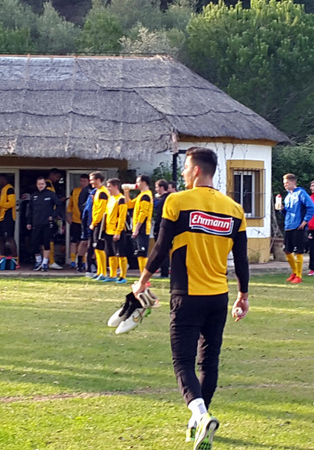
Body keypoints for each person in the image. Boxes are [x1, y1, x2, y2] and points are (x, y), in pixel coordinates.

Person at [132, 147, 249, 450]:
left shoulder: (177, 201)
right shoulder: (235, 209)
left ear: (196, 170)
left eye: (186, 167)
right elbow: (242, 258)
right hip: (219, 297)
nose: (183, 173)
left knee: (183, 361)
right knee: (209, 361)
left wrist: (142, 280)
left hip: (186, 295)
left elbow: (161, 246)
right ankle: (197, 424)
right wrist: (243, 295)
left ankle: (200, 415)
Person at [278, 173, 314, 284]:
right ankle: (294, 272)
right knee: (287, 251)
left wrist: (305, 221)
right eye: (284, 183)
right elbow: (287, 212)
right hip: (288, 226)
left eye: (287, 183)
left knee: (299, 251)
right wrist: (281, 209)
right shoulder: (288, 196)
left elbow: (311, 207)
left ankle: (299, 275)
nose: (285, 185)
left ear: (293, 182)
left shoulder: (301, 193)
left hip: (298, 226)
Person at [27, 177, 58, 272]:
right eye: (39, 184)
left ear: (45, 184)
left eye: (42, 184)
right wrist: (28, 222)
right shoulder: (34, 195)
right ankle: (38, 261)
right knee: (34, 243)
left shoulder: (51, 194)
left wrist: (53, 216)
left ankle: (45, 263)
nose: (41, 186)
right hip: (36, 223)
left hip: (47, 223)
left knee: (46, 243)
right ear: (36, 185)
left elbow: (59, 205)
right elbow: (30, 210)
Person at [124, 175, 153, 274]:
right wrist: (126, 192)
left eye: (138, 182)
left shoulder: (146, 196)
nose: (136, 184)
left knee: (142, 252)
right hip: (138, 227)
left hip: (142, 228)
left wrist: (137, 228)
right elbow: (129, 205)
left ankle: (144, 275)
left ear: (144, 182)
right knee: (139, 253)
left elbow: (143, 213)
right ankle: (142, 275)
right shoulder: (141, 195)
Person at [103, 178, 129, 284]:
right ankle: (112, 274)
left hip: (117, 231)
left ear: (116, 186)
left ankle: (123, 276)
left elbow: (122, 217)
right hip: (108, 230)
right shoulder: (110, 199)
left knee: (120, 254)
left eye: (109, 186)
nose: (108, 188)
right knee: (111, 254)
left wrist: (118, 231)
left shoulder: (121, 199)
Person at [89, 171, 110, 280]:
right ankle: (99, 271)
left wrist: (94, 223)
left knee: (99, 247)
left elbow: (101, 210)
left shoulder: (102, 192)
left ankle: (103, 272)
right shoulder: (97, 192)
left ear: (98, 180)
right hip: (97, 222)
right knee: (96, 248)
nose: (91, 182)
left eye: (92, 180)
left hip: (100, 223)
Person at [67, 174, 91, 270]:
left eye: (85, 181)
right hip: (75, 220)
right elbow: (70, 206)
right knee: (74, 241)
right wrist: (69, 217)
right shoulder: (75, 191)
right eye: (81, 181)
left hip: (86, 221)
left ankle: (84, 261)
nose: (82, 183)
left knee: (84, 242)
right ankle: (73, 260)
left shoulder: (90, 192)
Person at [45, 168, 65, 269]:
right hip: (48, 215)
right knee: (49, 238)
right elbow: (50, 200)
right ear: (52, 174)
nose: (58, 179)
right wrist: (59, 201)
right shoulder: (48, 184)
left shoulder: (51, 184)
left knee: (48, 238)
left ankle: (48, 260)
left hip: (49, 214)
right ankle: (50, 261)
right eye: (57, 177)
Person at [0, 174, 18, 264]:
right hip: (2, 217)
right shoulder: (3, 189)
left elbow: (12, 203)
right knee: (0, 237)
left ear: (4, 179)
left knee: (9, 237)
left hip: (8, 217)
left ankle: (15, 259)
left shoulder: (10, 189)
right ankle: (2, 257)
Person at [152, 179, 171, 278]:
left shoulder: (164, 200)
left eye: (157, 187)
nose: (156, 189)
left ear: (162, 187)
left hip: (161, 226)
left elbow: (160, 215)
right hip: (163, 226)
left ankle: (164, 271)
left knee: (162, 249)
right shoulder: (166, 198)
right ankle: (164, 270)